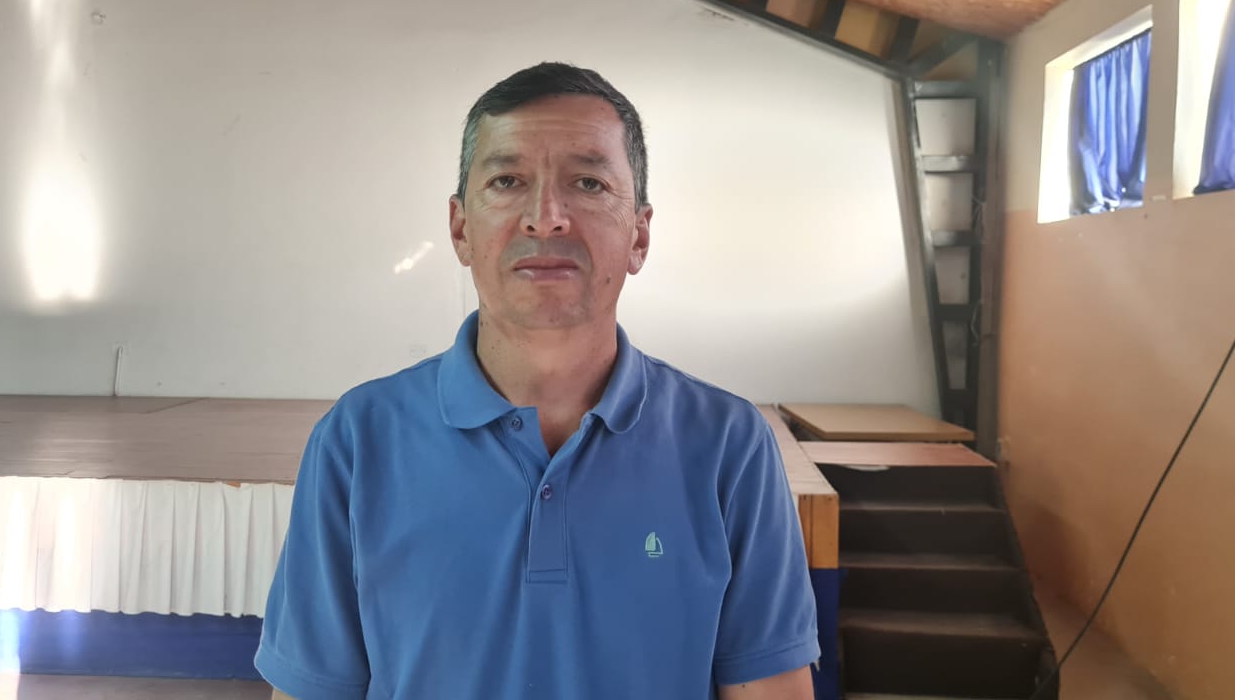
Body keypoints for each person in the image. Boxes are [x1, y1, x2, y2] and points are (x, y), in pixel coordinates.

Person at [255, 62, 818, 700]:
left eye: (588, 182)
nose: (545, 218)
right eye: (507, 181)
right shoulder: (359, 439)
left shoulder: (727, 444)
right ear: (460, 229)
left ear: (639, 234)